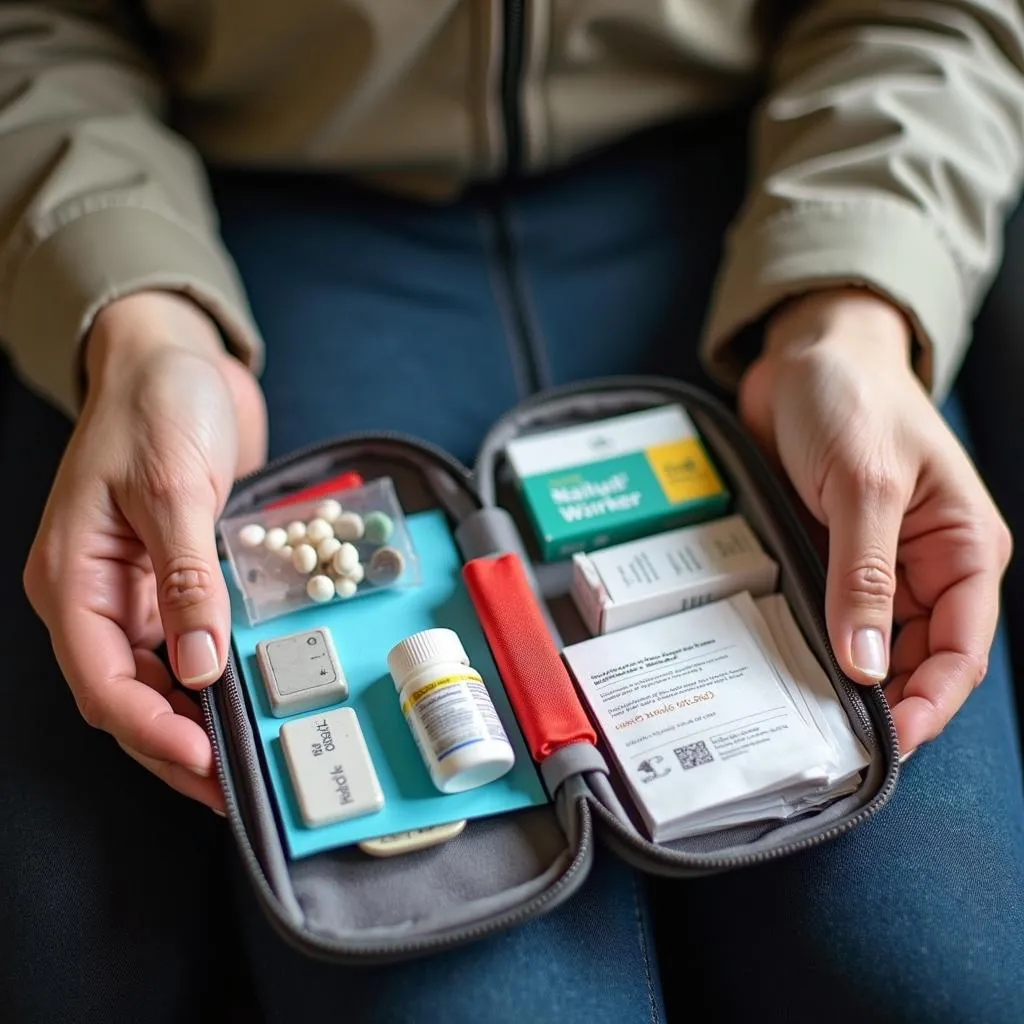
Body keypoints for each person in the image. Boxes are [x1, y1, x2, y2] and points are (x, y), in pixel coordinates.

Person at [1, 2, 1022, 1022]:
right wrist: (138, 324)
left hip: (762, 198)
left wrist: (854, 313)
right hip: (255, 218)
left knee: (930, 977)